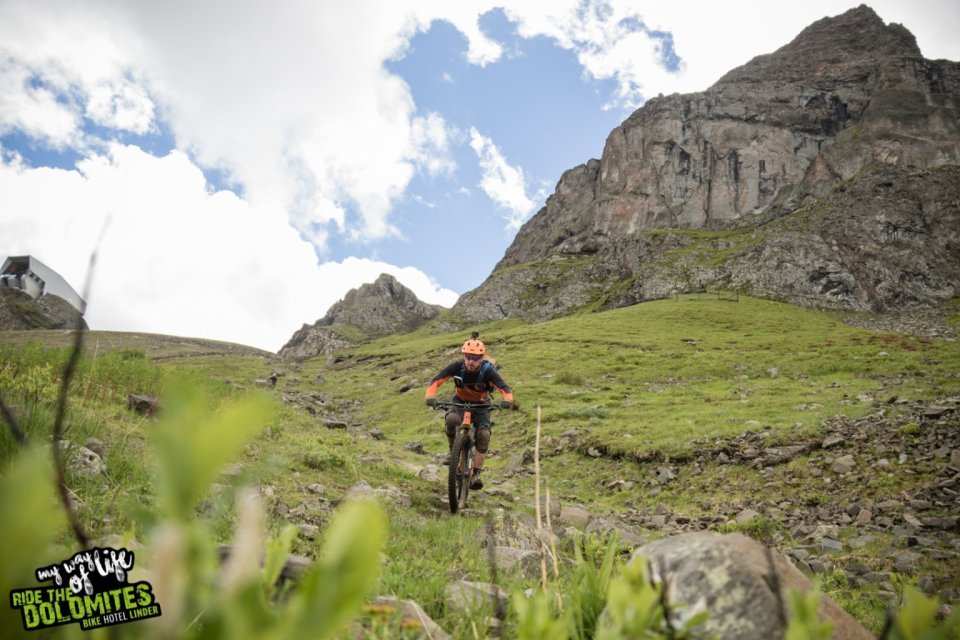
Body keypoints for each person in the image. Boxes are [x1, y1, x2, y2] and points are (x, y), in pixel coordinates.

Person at [424, 333, 515, 489]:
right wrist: (430, 396)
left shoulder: (488, 371)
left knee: (484, 435)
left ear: (481, 358)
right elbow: (436, 380)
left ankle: (475, 475)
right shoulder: (456, 366)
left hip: (482, 404)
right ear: (464, 355)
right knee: (451, 420)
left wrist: (507, 400)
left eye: (475, 357)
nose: (471, 361)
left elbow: (504, 388)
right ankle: (453, 453)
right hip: (460, 401)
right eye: (468, 356)